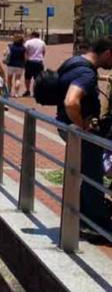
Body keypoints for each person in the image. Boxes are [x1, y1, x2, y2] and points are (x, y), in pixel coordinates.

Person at [56, 38, 112, 236]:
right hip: (77, 131)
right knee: (92, 175)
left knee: (86, 174)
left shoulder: (73, 62)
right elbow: (71, 102)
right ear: (108, 53)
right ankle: (93, 225)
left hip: (64, 125)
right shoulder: (87, 73)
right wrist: (82, 126)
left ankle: (81, 219)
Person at [24, 31, 47, 96]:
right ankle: (35, 92)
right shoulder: (42, 42)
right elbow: (43, 52)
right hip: (39, 61)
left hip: (30, 61)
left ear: (33, 35)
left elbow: (25, 52)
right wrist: (41, 58)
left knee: (27, 77)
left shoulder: (28, 42)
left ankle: (28, 91)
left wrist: (25, 60)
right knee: (37, 78)